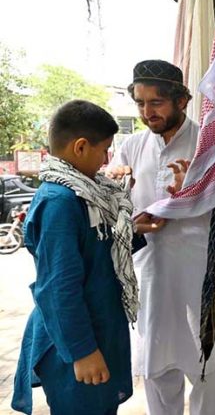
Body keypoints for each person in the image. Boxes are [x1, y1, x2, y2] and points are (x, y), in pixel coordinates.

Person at [11, 100, 156, 415]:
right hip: (77, 343)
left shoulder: (87, 194)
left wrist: (130, 231)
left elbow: (94, 254)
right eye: (104, 150)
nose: (107, 160)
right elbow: (58, 287)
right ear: (80, 147)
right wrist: (82, 352)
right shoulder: (60, 202)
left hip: (98, 332)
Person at [108, 60, 215, 415]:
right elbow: (116, 212)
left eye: (156, 103)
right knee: (157, 366)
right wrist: (131, 218)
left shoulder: (209, 143)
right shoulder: (131, 146)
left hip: (201, 274)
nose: (147, 112)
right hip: (151, 273)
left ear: (181, 100)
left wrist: (193, 191)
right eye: (140, 103)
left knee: (207, 368)